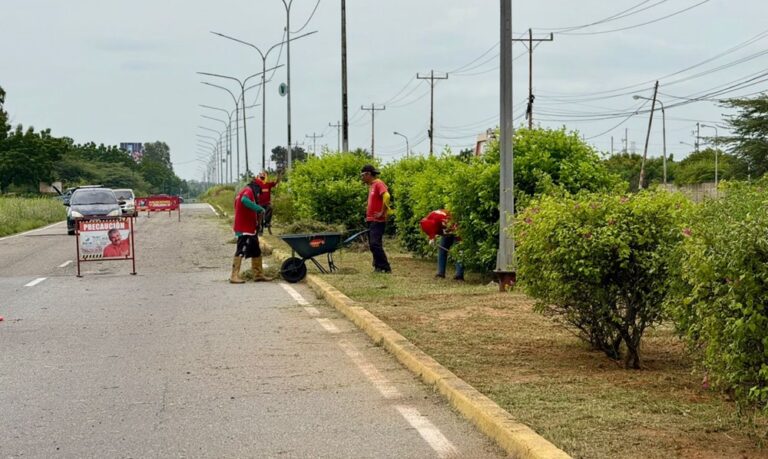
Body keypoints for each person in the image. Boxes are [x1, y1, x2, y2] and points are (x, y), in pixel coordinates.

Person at [230, 177, 271, 283]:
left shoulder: (242, 191)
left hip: (250, 228)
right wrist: (258, 208)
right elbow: (244, 201)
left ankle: (258, 275)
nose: (258, 195)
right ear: (256, 188)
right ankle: (234, 276)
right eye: (259, 192)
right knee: (241, 250)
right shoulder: (248, 191)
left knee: (256, 251)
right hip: (244, 229)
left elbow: (237, 206)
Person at [360, 164, 392, 273]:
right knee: (373, 245)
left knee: (375, 244)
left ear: (368, 174)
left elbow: (387, 196)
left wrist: (382, 212)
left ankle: (385, 267)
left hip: (377, 220)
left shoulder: (378, 183)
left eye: (363, 175)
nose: (362, 178)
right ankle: (378, 267)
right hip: (371, 220)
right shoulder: (372, 185)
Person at [420, 209, 464, 280]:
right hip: (445, 230)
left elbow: (456, 229)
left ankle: (459, 275)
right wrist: (432, 238)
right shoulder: (427, 220)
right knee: (442, 249)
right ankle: (440, 273)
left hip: (455, 229)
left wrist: (460, 242)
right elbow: (430, 229)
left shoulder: (444, 219)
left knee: (459, 251)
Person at [254, 170, 279, 235]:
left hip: (267, 203)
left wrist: (278, 177)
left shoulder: (268, 184)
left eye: (264, 174)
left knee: (270, 208)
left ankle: (267, 222)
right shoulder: (258, 182)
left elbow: (276, 183)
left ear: (266, 176)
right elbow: (254, 180)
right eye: (261, 174)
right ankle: (260, 230)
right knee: (260, 216)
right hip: (260, 203)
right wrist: (257, 176)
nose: (262, 175)